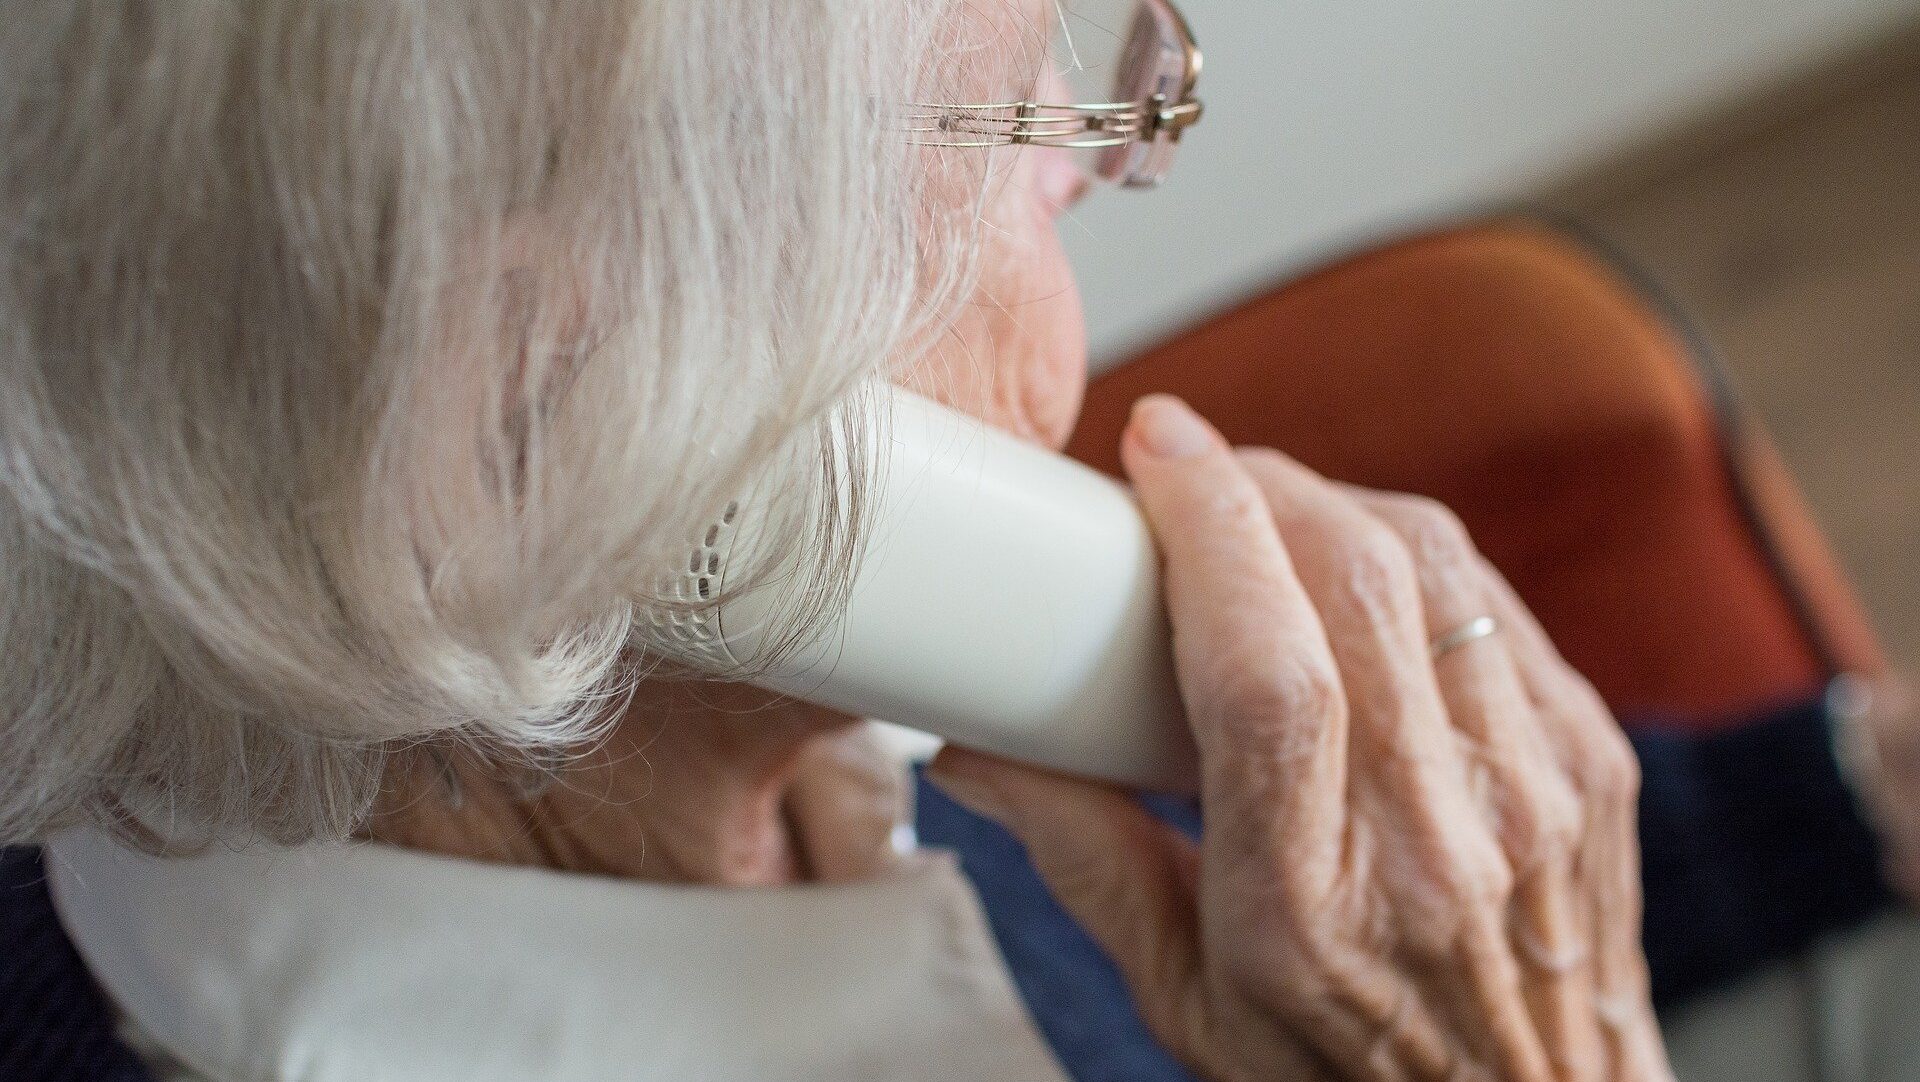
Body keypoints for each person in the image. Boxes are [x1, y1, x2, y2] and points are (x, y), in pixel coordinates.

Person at [0, 2, 1694, 1079]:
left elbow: (1335, 905)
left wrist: (1840, 787)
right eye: (1024, 103)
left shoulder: (774, 679)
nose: (1109, 155)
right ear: (544, 417)